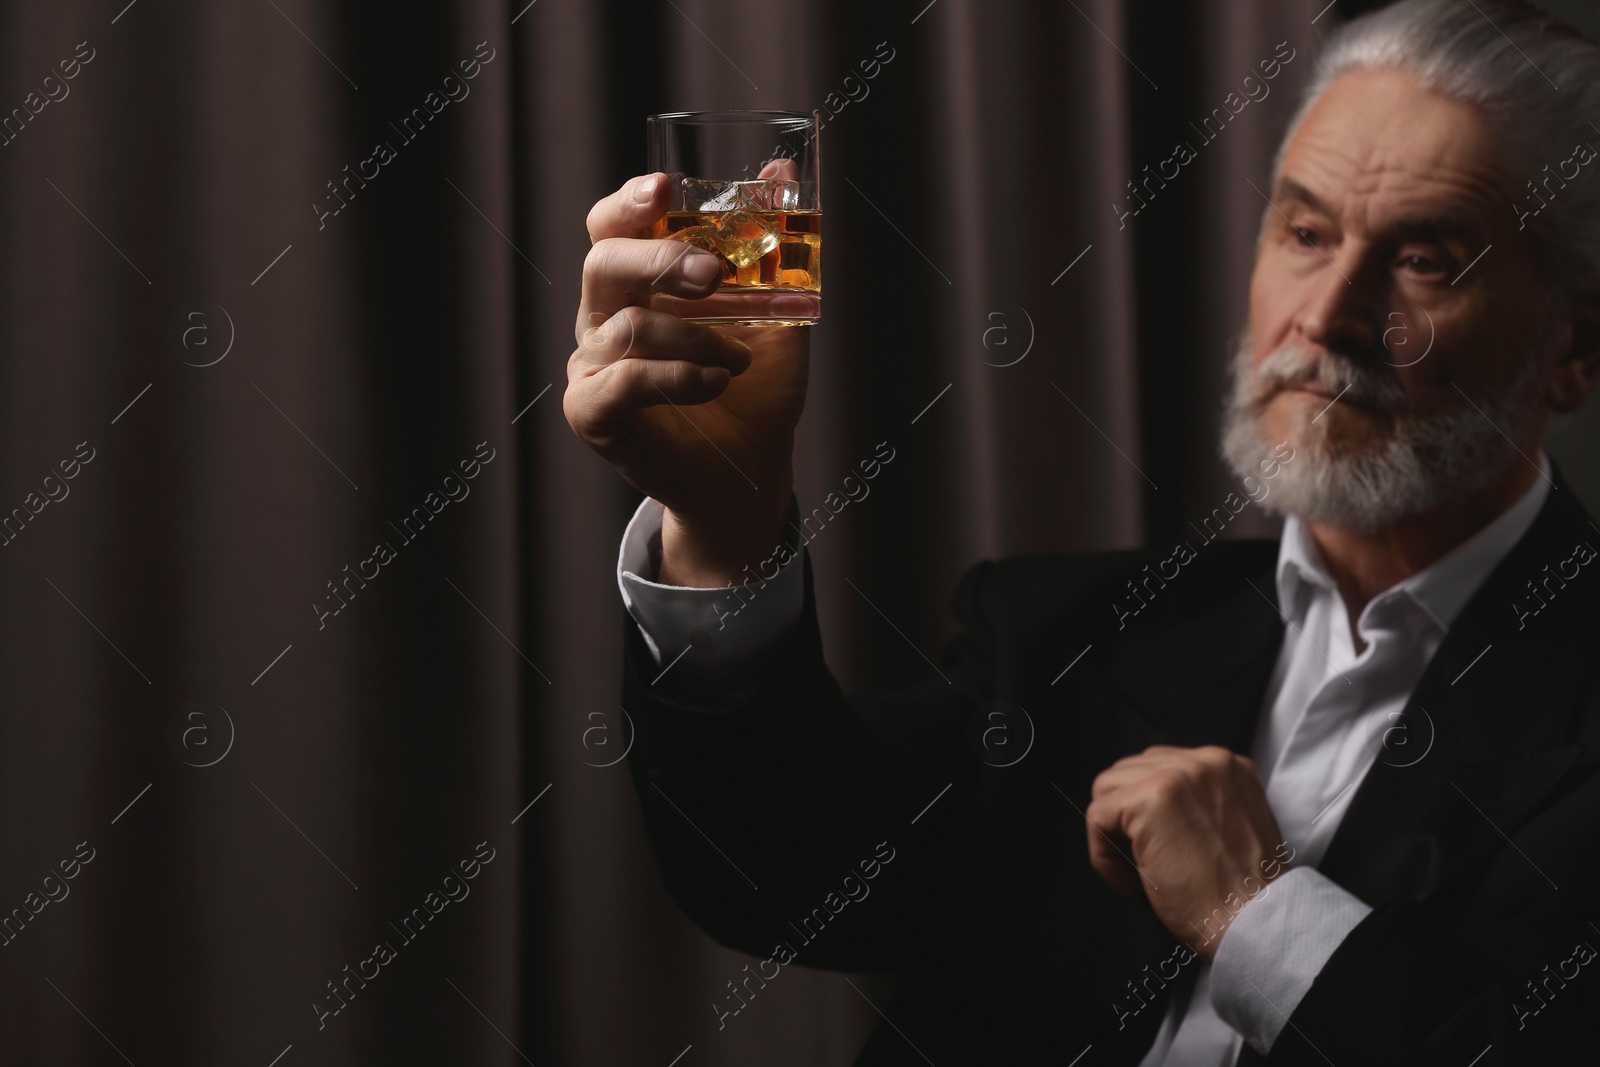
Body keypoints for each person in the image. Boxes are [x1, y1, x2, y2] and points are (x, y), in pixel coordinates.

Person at [563, 1, 1600, 1062]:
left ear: (1577, 344)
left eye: (1426, 259)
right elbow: (786, 875)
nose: (1326, 316)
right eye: (1304, 232)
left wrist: (1259, 915)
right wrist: (725, 527)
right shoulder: (1063, 636)